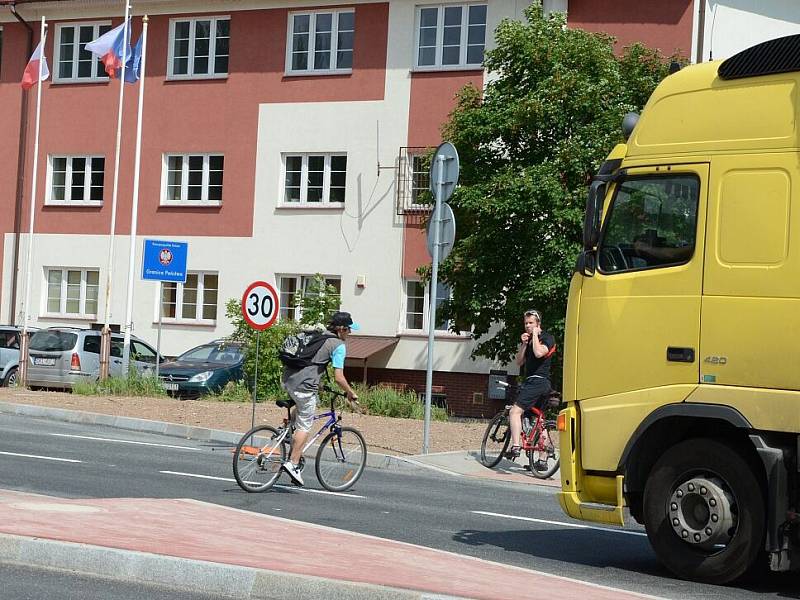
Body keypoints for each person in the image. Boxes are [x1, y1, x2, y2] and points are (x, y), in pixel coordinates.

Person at [281, 311, 360, 486]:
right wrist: (350, 392)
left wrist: (320, 384)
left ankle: (287, 432)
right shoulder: (338, 345)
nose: (350, 333)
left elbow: (312, 362)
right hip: (303, 386)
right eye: (349, 330)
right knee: (305, 424)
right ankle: (293, 463)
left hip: (287, 380)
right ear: (342, 329)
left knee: (303, 407)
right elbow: (339, 377)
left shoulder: (318, 336)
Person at [509, 309, 555, 461]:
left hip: (538, 381)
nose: (528, 326)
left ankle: (516, 446)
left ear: (538, 324)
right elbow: (519, 361)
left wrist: (535, 335)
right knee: (539, 420)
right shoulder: (529, 341)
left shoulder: (547, 338)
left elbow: (539, 353)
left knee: (515, 412)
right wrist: (523, 344)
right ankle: (543, 460)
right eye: (526, 323)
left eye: (531, 323)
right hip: (533, 382)